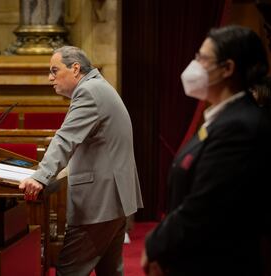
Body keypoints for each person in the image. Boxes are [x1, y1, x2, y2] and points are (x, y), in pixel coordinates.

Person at [141, 25, 271, 276]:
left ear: (228, 68)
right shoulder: (220, 119)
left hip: (217, 264)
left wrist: (156, 244)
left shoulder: (240, 126)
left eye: (202, 58)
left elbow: (204, 205)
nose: (194, 65)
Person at [19, 46, 143, 275]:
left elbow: (64, 139)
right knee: (110, 271)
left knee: (69, 270)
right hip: (113, 199)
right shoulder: (99, 87)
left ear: (75, 68)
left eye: (54, 70)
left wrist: (40, 176)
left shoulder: (89, 92)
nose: (50, 78)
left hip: (99, 202)